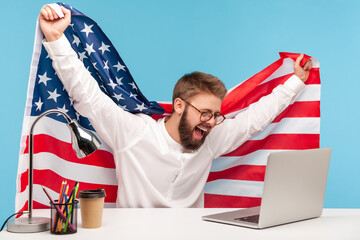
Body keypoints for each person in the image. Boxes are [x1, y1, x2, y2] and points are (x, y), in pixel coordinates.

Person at [39, 5, 312, 208]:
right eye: (205, 113)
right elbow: (87, 95)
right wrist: (55, 38)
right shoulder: (134, 133)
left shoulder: (212, 139)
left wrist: (296, 83)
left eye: (216, 115)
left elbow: (254, 119)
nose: (211, 121)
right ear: (179, 105)